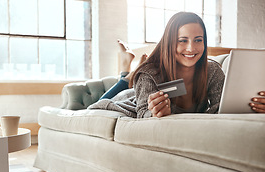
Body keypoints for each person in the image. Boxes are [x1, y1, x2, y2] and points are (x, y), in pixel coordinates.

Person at [91, 12, 265, 117]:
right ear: (169, 43)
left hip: (142, 87)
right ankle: (126, 73)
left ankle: (127, 72)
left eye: (198, 40)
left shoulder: (212, 70)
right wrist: (155, 113)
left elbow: (220, 110)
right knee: (94, 104)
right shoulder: (149, 73)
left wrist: (252, 106)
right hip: (128, 101)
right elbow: (143, 113)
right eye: (182, 40)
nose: (191, 48)